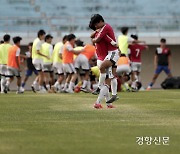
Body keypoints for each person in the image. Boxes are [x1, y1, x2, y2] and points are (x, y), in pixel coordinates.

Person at [89, 14, 119, 109]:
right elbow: (111, 41)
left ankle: (106, 100)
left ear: (100, 22)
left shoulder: (103, 31)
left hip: (108, 56)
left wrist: (116, 46)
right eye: (94, 27)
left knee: (109, 80)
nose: (96, 27)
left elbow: (104, 40)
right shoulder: (101, 33)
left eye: (96, 25)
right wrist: (116, 46)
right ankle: (104, 101)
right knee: (109, 80)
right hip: (106, 57)